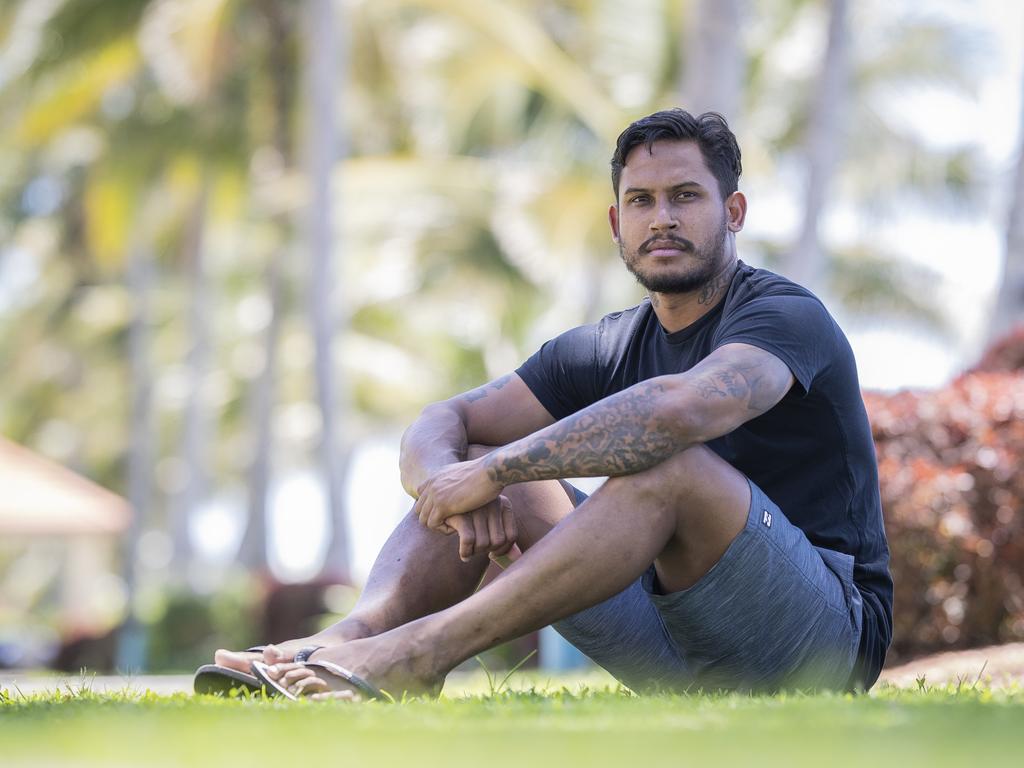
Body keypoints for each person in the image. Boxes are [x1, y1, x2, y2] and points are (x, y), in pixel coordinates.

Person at [207, 109, 892, 699]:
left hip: (819, 640)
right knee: (470, 457)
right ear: (616, 221)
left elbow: (681, 411)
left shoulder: (782, 316)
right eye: (643, 201)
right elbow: (446, 422)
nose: (663, 219)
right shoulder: (604, 345)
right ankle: (348, 640)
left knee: (668, 465)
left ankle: (418, 655)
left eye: (686, 196)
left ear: (733, 211)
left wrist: (497, 473)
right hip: (672, 640)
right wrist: (456, 484)